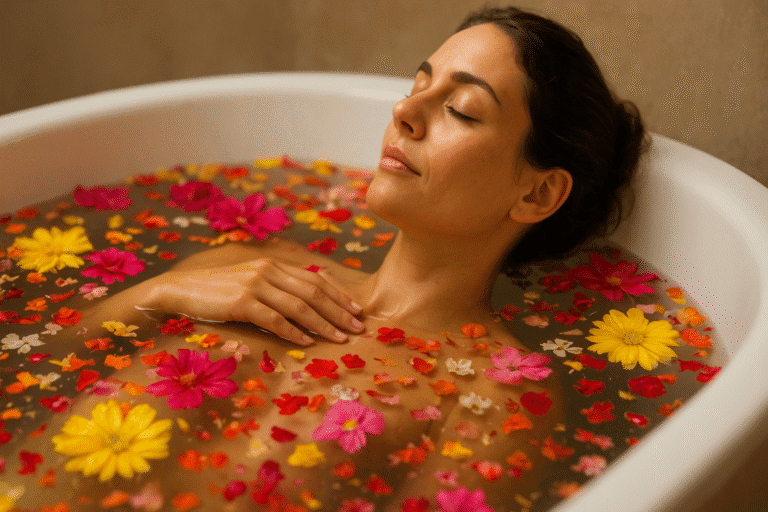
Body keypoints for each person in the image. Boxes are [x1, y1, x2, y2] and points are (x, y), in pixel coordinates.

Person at [24, 6, 646, 511]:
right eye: (418, 86)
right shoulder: (247, 262)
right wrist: (154, 294)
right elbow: (34, 377)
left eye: (461, 110)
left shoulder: (495, 396)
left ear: (537, 192)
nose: (404, 113)